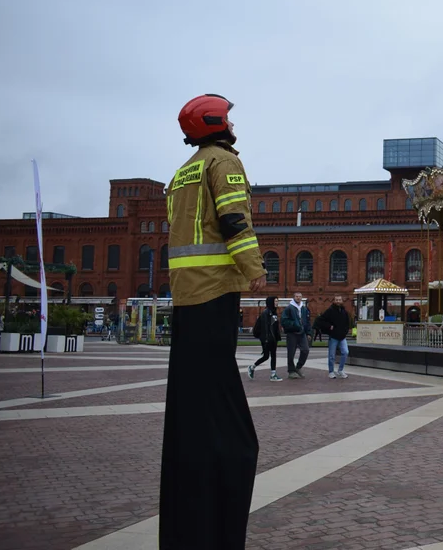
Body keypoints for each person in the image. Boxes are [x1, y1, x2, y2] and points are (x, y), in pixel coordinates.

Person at [160, 93, 266, 549]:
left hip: (185, 298)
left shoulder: (181, 173)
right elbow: (234, 222)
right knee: (221, 411)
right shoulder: (224, 163)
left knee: (191, 409)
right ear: (216, 121)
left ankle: (189, 516)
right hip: (214, 293)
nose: (235, 125)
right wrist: (255, 270)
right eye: (230, 118)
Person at [248, 296, 282, 382]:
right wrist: (266, 339)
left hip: (273, 338)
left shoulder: (274, 312)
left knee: (273, 355)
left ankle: (273, 374)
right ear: (271, 302)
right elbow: (265, 327)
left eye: (277, 301)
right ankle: (252, 367)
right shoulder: (266, 313)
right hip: (267, 338)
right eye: (275, 301)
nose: (277, 303)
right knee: (266, 356)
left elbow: (274, 326)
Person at [321, 295, 351, 379]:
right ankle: (331, 371)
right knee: (332, 355)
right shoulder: (330, 311)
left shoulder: (344, 311)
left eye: (339, 300)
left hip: (342, 336)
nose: (338, 301)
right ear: (334, 301)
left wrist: (345, 331)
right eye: (336, 300)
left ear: (342, 301)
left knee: (345, 352)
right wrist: (329, 326)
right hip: (333, 336)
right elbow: (321, 320)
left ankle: (340, 370)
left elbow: (347, 322)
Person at [282, 293, 310, 379]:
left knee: (305, 350)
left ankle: (298, 367)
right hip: (292, 333)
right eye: (297, 296)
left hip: (302, 333)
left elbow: (307, 321)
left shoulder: (304, 308)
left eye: (300, 296)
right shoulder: (289, 308)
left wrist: (309, 332)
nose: (298, 298)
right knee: (291, 353)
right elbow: (284, 321)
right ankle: (291, 371)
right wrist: (295, 325)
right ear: (293, 297)